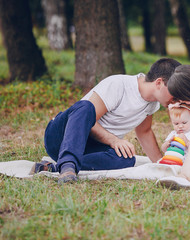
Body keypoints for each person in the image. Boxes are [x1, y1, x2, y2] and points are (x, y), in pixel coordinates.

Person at [31, 58, 181, 184]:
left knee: (127, 159)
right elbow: (85, 118)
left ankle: (55, 168)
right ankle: (68, 164)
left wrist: (162, 165)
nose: (177, 98)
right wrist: (114, 141)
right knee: (86, 106)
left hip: (90, 149)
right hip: (63, 137)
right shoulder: (118, 84)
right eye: (174, 91)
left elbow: (144, 132)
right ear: (159, 83)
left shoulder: (153, 103)